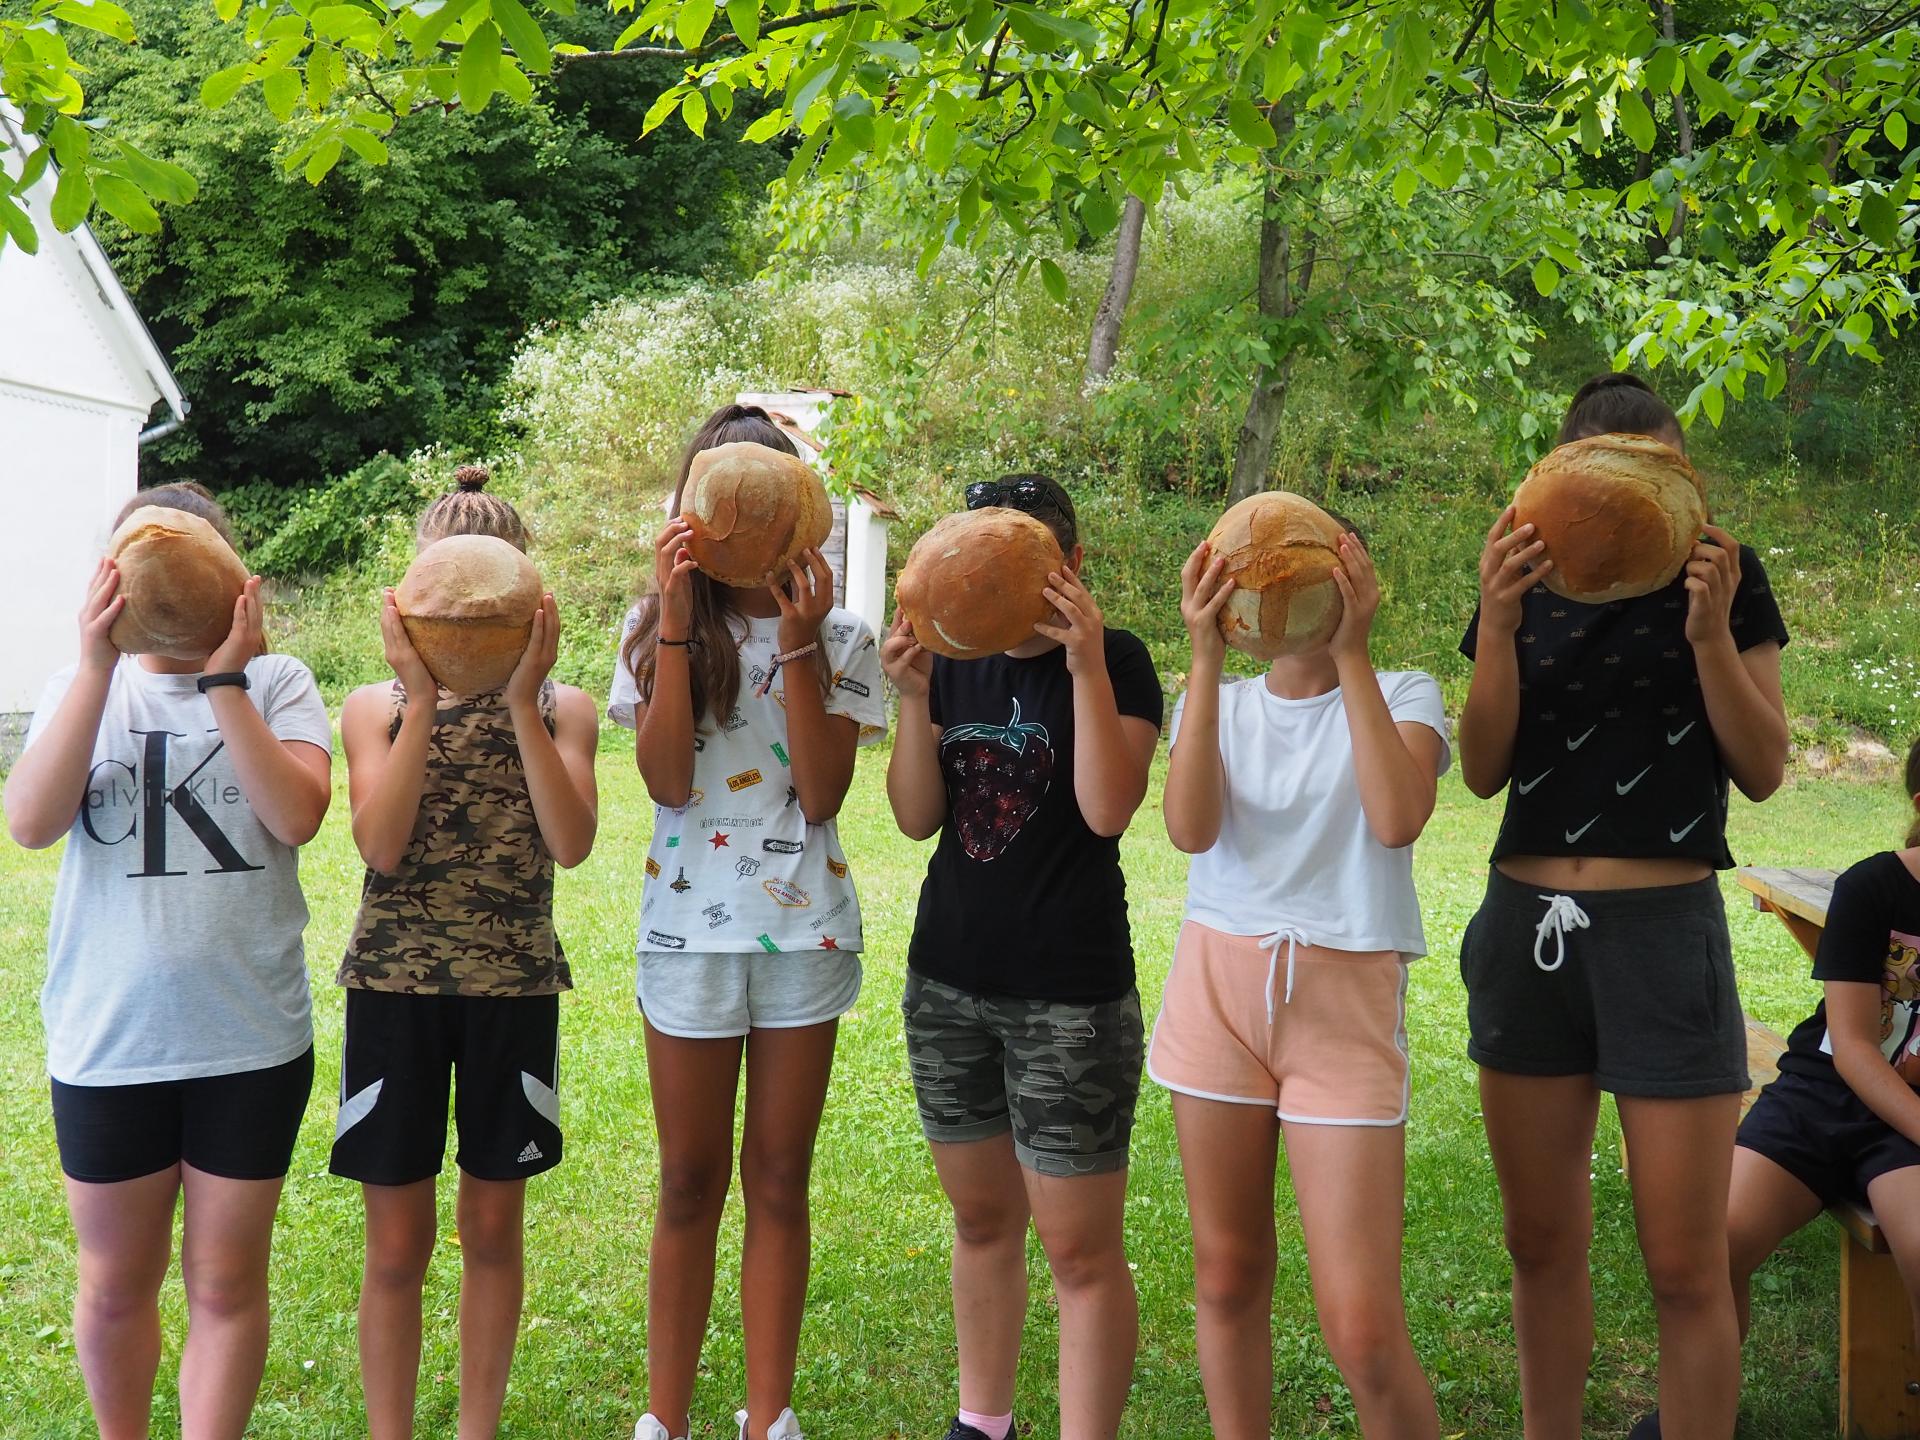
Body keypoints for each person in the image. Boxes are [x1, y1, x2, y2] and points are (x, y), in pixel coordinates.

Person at [1456, 372, 1791, 1440]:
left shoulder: (1725, 574)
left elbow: (1764, 768)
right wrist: (1497, 624)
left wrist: (1707, 635)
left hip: (1664, 935)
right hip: (1528, 931)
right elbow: (1481, 769)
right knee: (1538, 1244)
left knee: (1687, 1265)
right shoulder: (1522, 569)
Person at [2, 482, 333, 1440]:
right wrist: (94, 666)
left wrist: (227, 682)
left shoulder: (279, 682)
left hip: (250, 1039)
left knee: (227, 1286)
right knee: (114, 1285)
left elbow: (297, 815)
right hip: (111, 1041)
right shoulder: (83, 687)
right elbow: (30, 823)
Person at [615, 405, 886, 1440]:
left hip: (803, 933)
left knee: (778, 1178)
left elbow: (821, 794)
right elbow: (667, 780)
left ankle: (770, 1419)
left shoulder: (843, 634)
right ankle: (666, 1420)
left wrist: (803, 642)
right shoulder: (651, 628)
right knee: (688, 1181)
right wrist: (677, 623)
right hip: (686, 935)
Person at [881, 473, 1163, 1440]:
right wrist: (914, 695)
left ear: (1071, 565)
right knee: (981, 1222)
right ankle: (984, 1423)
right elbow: (916, 816)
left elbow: (1107, 810)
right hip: (948, 981)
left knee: (1080, 1252)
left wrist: (1083, 667)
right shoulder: (953, 657)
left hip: (1068, 996)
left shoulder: (1118, 660)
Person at [1156, 520, 1448, 1439]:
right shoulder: (1214, 700)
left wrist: (1351, 653)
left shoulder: (1404, 692)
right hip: (1217, 991)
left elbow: (1396, 818)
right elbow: (1190, 829)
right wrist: (1204, 659)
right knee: (1227, 1275)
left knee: (1362, 1326)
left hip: (1344, 1006)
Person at [332, 467, 600, 1440]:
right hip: (393, 989)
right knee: (396, 1244)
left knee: (492, 1229)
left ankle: (478, 1429)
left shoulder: (563, 708)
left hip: (513, 991)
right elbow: (381, 845)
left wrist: (523, 702)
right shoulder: (374, 707)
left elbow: (571, 842)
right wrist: (420, 696)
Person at [1725, 740, 1920, 1370]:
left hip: (1905, 1132)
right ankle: (1697, 1409)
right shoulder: (1873, 887)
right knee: (1717, 1242)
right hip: (1824, 1093)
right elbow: (1854, 1048)